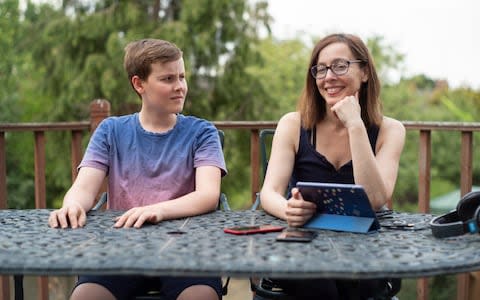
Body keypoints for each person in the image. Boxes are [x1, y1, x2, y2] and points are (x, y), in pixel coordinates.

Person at [48, 38, 227, 300]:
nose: (180, 87)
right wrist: (72, 204)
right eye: (167, 79)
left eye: (182, 77)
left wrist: (157, 210)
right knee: (85, 296)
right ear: (138, 83)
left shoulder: (202, 132)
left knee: (200, 296)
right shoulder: (111, 131)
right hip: (120, 248)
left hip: (186, 248)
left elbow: (208, 195)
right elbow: (84, 188)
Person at [260, 33, 406, 299]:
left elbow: (375, 199)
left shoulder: (390, 130)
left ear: (364, 72)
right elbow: (269, 192)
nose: (328, 77)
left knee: (357, 283)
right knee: (318, 283)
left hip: (363, 246)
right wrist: (289, 210)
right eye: (321, 69)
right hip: (303, 244)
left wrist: (355, 125)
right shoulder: (293, 124)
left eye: (340, 66)